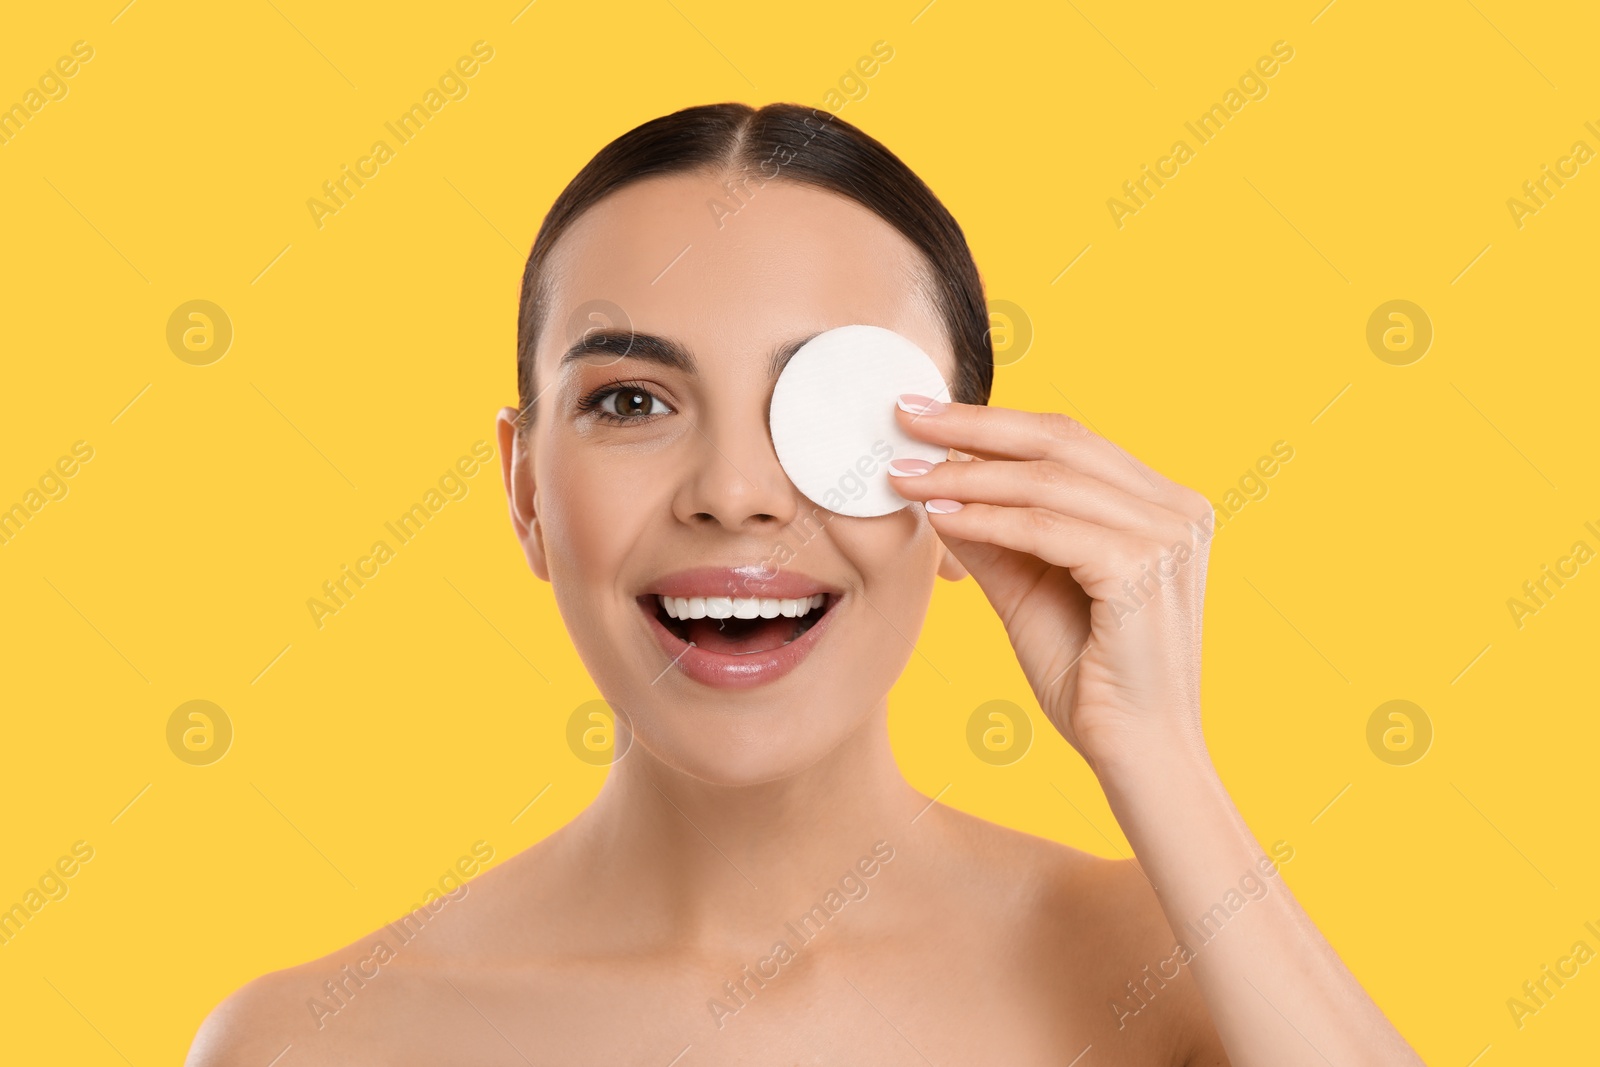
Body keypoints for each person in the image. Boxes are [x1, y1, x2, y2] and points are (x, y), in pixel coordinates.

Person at [187, 102, 1423, 1065]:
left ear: (964, 473)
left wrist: (1159, 755)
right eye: (631, 401)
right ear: (523, 491)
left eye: (822, 407)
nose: (737, 491)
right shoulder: (314, 1038)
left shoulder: (1181, 968)